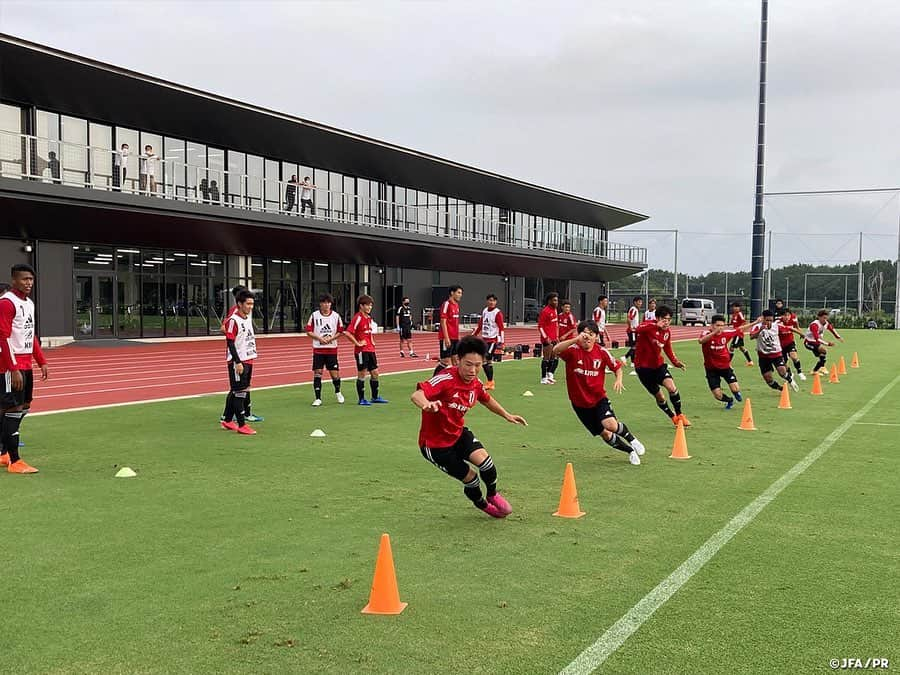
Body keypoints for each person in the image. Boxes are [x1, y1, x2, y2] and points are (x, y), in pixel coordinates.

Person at [412, 336, 526, 518]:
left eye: (478, 365)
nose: (473, 370)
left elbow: (486, 399)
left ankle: (492, 494)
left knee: (487, 464)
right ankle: (482, 504)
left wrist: (507, 415)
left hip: (457, 433)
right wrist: (426, 404)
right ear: (458, 360)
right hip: (435, 445)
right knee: (471, 479)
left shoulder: (475, 383)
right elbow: (417, 394)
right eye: (468, 364)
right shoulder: (445, 379)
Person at [554, 320, 646, 465]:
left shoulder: (601, 352)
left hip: (598, 399)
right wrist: (575, 339)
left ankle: (632, 440)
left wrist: (619, 380)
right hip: (579, 404)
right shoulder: (573, 350)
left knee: (610, 424)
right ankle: (630, 451)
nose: (587, 338)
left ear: (596, 336)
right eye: (584, 334)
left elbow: (617, 367)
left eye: (591, 334)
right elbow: (555, 350)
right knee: (605, 434)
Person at [0, 265, 49, 473]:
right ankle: (15, 460)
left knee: (24, 406)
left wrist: (41, 360)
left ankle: (3, 452)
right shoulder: (6, 303)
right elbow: (3, 337)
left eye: (31, 279)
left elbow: (31, 334)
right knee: (13, 410)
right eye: (24, 279)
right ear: (14, 280)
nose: (28, 283)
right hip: (10, 366)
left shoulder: (29, 303)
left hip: (26, 364)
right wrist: (13, 368)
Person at [633, 305, 690, 426]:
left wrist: (676, 362)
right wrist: (655, 325)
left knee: (672, 388)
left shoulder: (667, 332)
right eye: (664, 319)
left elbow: (668, 348)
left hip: (658, 366)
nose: (666, 322)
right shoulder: (648, 325)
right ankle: (672, 416)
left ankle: (680, 415)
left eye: (669, 320)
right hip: (643, 369)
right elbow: (638, 329)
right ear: (657, 318)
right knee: (660, 397)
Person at [218, 285, 263, 423]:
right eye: (248, 303)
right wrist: (237, 355)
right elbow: (224, 329)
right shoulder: (234, 315)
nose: (250, 306)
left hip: (248, 356)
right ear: (239, 302)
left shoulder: (246, 315)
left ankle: (228, 417)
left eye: (252, 303)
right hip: (239, 357)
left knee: (242, 388)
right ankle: (241, 419)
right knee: (238, 390)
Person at [698, 314, 750, 410]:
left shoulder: (725, 333)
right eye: (718, 326)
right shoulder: (706, 333)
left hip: (725, 367)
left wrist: (756, 322)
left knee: (736, 388)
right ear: (712, 325)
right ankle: (729, 400)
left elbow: (740, 328)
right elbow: (701, 341)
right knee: (717, 395)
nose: (720, 328)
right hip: (711, 369)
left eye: (722, 326)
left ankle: (736, 393)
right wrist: (714, 333)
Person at [306, 293, 346, 407]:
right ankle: (318, 398)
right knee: (318, 373)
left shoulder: (336, 316)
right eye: (324, 302)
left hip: (331, 349)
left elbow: (340, 331)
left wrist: (331, 338)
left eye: (328, 302)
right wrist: (320, 338)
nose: (326, 305)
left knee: (335, 374)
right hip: (318, 349)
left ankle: (338, 392)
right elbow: (309, 331)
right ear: (320, 304)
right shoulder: (314, 316)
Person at [348, 294, 388, 405]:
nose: (370, 308)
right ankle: (361, 399)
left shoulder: (369, 318)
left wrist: (372, 340)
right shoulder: (358, 318)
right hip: (361, 351)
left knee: (375, 373)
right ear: (361, 306)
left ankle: (375, 397)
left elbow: (369, 333)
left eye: (371, 305)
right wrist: (357, 343)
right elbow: (348, 332)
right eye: (367, 305)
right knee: (362, 374)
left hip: (370, 350)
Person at [748, 310, 802, 393]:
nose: (769, 322)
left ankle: (790, 380)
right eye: (767, 320)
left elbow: (790, 329)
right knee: (768, 379)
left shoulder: (776, 326)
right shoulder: (757, 326)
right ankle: (782, 389)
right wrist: (760, 330)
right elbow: (751, 337)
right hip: (763, 356)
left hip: (776, 354)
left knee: (782, 371)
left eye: (771, 320)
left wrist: (801, 334)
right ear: (763, 319)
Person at [470, 293, 505, 390]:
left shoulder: (497, 313)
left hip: (493, 340)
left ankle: (487, 381)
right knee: (487, 361)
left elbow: (501, 328)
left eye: (493, 300)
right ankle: (490, 382)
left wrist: (502, 342)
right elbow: (480, 325)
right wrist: (473, 335)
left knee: (484, 359)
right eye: (490, 300)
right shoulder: (485, 311)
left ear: (496, 302)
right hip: (484, 340)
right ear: (487, 301)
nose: (491, 302)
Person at [803, 309, 844, 375]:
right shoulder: (814, 325)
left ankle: (817, 370)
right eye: (823, 318)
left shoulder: (826, 323)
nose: (825, 319)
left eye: (826, 317)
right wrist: (828, 343)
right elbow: (816, 338)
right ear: (819, 317)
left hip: (816, 342)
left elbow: (832, 330)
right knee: (824, 351)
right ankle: (820, 368)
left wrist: (838, 337)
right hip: (809, 342)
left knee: (822, 354)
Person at [434, 285, 463, 375]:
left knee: (456, 362)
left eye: (461, 293)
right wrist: (446, 338)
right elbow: (443, 321)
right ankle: (433, 382)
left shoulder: (456, 305)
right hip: (447, 337)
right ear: (452, 293)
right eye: (458, 292)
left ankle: (455, 384)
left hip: (455, 338)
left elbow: (455, 322)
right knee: (445, 361)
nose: (460, 295)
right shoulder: (446, 304)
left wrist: (458, 336)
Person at [777, 307, 806, 380]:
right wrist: (801, 334)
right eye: (785, 315)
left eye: (788, 315)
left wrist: (800, 333)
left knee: (794, 357)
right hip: (780, 345)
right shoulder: (778, 322)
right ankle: (790, 373)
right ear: (781, 316)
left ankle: (800, 372)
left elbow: (797, 327)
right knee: (784, 362)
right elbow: (791, 329)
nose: (787, 317)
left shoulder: (793, 319)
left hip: (790, 342)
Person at [538, 292, 560, 384]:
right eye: (554, 300)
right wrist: (546, 337)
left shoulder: (555, 310)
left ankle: (548, 376)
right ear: (549, 301)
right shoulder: (545, 311)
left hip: (554, 338)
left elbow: (555, 325)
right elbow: (540, 326)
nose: (556, 302)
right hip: (547, 338)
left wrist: (557, 336)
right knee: (546, 358)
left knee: (553, 357)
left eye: (557, 300)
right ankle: (543, 378)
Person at [728, 301, 754, 366]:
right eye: (734, 307)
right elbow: (732, 323)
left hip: (738, 334)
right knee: (741, 348)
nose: (735, 308)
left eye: (737, 307)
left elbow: (743, 322)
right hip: (735, 333)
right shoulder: (734, 315)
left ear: (739, 308)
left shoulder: (740, 314)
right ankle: (750, 361)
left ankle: (727, 363)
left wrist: (741, 329)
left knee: (731, 347)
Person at [621, 296, 643, 371]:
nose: (640, 304)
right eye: (639, 302)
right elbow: (629, 318)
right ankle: (625, 357)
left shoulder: (635, 309)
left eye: (641, 302)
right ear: (635, 302)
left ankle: (633, 362)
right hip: (633, 330)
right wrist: (631, 327)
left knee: (634, 346)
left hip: (635, 330)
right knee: (635, 346)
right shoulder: (633, 309)